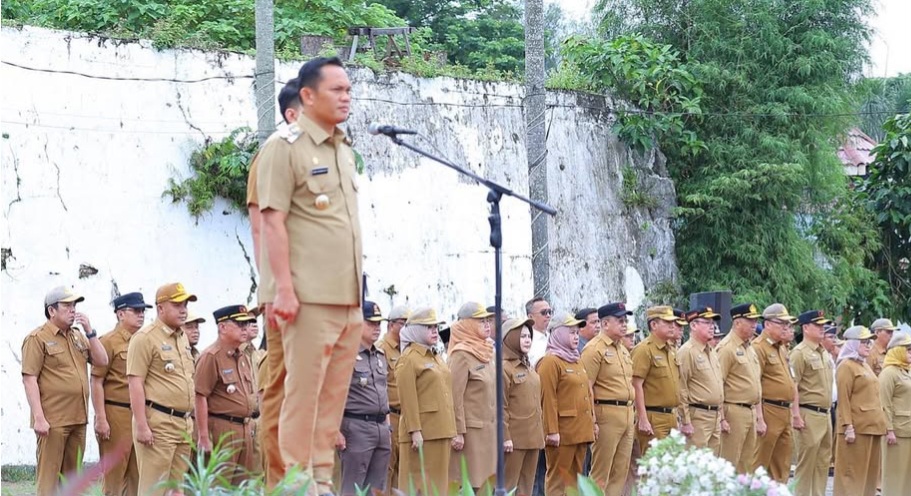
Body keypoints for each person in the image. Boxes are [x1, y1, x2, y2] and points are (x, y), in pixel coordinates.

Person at [256, 56, 364, 493]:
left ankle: (320, 478)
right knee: (301, 396)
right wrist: (283, 288)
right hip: (307, 295)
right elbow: (271, 221)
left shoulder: (342, 147)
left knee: (332, 396)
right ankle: (297, 482)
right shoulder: (284, 146)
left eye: (348, 90)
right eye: (337, 90)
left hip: (347, 296)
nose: (346, 97)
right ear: (307, 95)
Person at [246, 78, 304, 487]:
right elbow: (261, 231)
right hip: (288, 296)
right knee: (282, 395)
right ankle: (280, 486)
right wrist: (275, 291)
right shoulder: (272, 154)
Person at [22, 286, 108, 496]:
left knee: (72, 482)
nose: (73, 310)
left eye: (74, 305)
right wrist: (39, 418)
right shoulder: (37, 338)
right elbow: (29, 379)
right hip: (53, 422)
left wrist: (90, 332)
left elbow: (102, 361)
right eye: (67, 305)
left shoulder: (78, 336)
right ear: (52, 310)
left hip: (78, 419)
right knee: (49, 482)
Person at [127, 282, 197, 496]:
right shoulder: (144, 338)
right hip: (158, 424)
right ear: (160, 308)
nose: (183, 309)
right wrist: (141, 425)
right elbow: (135, 382)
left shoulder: (182, 337)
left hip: (182, 425)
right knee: (153, 490)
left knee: (177, 490)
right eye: (177, 305)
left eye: (185, 304)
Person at [92, 292, 151, 496]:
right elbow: (97, 380)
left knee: (137, 475)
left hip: (140, 415)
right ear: (120, 314)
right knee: (114, 477)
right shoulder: (108, 341)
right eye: (136, 310)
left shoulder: (144, 341)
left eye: (143, 310)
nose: (141, 314)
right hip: (116, 412)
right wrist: (101, 418)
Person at [195, 305, 258, 486]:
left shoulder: (243, 356)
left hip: (244, 429)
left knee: (242, 486)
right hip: (222, 428)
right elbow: (200, 396)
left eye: (246, 323)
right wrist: (204, 436)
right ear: (222, 327)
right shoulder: (211, 356)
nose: (245, 328)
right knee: (219, 486)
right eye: (239, 324)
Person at [397, 308, 455, 495]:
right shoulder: (409, 358)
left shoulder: (436, 356)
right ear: (415, 330)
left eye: (435, 327)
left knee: (438, 486)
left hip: (442, 429)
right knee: (419, 485)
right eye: (428, 327)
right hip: (423, 433)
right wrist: (415, 431)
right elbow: (408, 399)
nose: (434, 331)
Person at [337, 301, 391, 496]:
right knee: (353, 488)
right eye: (371, 323)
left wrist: (387, 426)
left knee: (377, 489)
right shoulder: (345, 354)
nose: (377, 328)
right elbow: (335, 395)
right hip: (356, 428)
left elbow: (383, 392)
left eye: (379, 323)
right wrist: (336, 431)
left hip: (381, 428)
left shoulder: (380, 355)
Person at [538, 314, 596, 496]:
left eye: (577, 333)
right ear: (559, 334)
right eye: (571, 332)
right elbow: (547, 399)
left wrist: (592, 423)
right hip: (562, 432)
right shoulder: (550, 361)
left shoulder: (576, 359)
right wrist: (551, 431)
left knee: (577, 480)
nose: (576, 336)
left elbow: (587, 392)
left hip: (580, 430)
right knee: (558, 479)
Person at [581, 302, 635, 496]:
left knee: (620, 472)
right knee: (601, 473)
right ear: (605, 324)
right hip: (606, 415)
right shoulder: (594, 349)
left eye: (625, 320)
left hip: (627, 414)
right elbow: (586, 388)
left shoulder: (622, 349)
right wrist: (592, 421)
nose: (624, 324)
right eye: (619, 320)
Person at [447, 302, 496, 491]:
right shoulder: (461, 354)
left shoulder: (486, 351)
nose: (487, 325)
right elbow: (454, 396)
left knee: (487, 486)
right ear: (466, 324)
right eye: (480, 321)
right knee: (472, 485)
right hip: (471, 433)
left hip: (489, 431)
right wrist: (457, 432)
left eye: (487, 321)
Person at [834, 325, 887, 496]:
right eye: (864, 342)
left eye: (869, 342)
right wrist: (848, 426)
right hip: (856, 428)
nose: (868, 346)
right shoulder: (846, 366)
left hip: (873, 426)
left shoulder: (863, 365)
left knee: (869, 475)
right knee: (852, 474)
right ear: (853, 344)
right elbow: (843, 400)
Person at [751, 303, 800, 483]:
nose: (786, 328)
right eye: (782, 324)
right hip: (768, 408)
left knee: (782, 462)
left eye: (787, 325)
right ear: (768, 324)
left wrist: (794, 413)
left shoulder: (781, 347)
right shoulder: (758, 347)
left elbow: (790, 379)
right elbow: (755, 384)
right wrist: (759, 417)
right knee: (760, 462)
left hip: (784, 411)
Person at [790, 310, 835, 496]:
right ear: (806, 328)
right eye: (818, 325)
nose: (822, 328)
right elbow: (793, 386)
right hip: (808, 413)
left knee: (823, 462)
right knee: (806, 464)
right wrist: (795, 415)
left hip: (825, 414)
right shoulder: (799, 353)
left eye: (823, 325)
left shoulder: (823, 352)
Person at [716, 303, 764, 474]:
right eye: (750, 321)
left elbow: (755, 384)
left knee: (746, 465)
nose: (754, 325)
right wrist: (721, 418)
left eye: (755, 321)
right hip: (733, 411)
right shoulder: (726, 348)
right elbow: (718, 383)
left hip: (750, 411)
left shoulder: (749, 347)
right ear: (737, 323)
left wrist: (759, 417)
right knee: (729, 464)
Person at [502, 317, 544, 496]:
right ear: (511, 337)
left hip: (533, 437)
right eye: (522, 336)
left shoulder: (528, 366)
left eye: (529, 336)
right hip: (514, 439)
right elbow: (500, 406)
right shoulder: (504, 367)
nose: (527, 340)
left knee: (527, 486)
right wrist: (505, 437)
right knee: (509, 486)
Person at [631, 306, 681, 455]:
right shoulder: (644, 350)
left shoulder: (671, 350)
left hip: (671, 416)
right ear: (653, 325)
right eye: (667, 322)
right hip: (654, 417)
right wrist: (643, 418)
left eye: (673, 322)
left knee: (670, 467)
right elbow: (636, 385)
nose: (673, 326)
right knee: (653, 466)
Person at [678, 307, 724, 454]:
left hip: (715, 415)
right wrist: (685, 421)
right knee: (696, 462)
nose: (713, 327)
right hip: (698, 416)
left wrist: (721, 417)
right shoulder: (687, 352)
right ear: (693, 325)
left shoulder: (711, 351)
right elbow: (681, 388)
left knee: (712, 465)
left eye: (713, 323)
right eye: (708, 322)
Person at [376, 305, 410, 491]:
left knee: (402, 470)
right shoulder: (382, 350)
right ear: (391, 325)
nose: (406, 328)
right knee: (387, 468)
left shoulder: (405, 349)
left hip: (405, 416)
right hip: (390, 416)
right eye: (403, 324)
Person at [878, 331, 911, 495]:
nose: (910, 353)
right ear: (897, 350)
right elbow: (884, 404)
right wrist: (889, 430)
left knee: (907, 476)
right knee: (895, 474)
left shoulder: (906, 371)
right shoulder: (889, 372)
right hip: (897, 431)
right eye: (908, 349)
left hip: (908, 429)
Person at [526, 297, 553, 368]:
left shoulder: (554, 337)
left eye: (550, 312)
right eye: (543, 312)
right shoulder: (526, 340)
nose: (548, 315)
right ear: (530, 317)